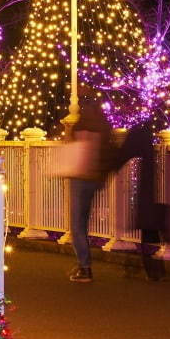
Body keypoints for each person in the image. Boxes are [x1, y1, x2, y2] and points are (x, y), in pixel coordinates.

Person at [60, 95, 115, 283]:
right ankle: (83, 264)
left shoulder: (81, 125)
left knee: (77, 224)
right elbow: (108, 152)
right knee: (83, 220)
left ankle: (84, 266)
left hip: (79, 177)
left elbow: (70, 147)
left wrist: (68, 131)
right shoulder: (103, 126)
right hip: (94, 179)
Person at [114, 123, 167, 281]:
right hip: (154, 198)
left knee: (148, 227)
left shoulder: (144, 153)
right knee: (150, 228)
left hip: (150, 199)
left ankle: (153, 270)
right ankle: (154, 269)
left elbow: (121, 157)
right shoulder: (151, 154)